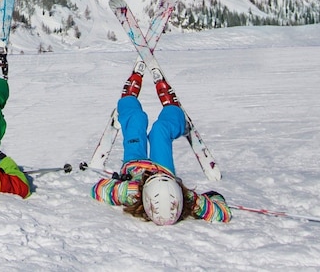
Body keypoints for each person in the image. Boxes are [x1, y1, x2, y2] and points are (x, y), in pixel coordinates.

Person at [90, 61, 231, 224]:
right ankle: (173, 110)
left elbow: (98, 190)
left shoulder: (130, 193)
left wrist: (130, 187)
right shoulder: (188, 200)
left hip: (134, 164)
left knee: (136, 120)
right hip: (164, 168)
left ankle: (128, 99)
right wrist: (207, 198)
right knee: (160, 131)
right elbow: (222, 213)